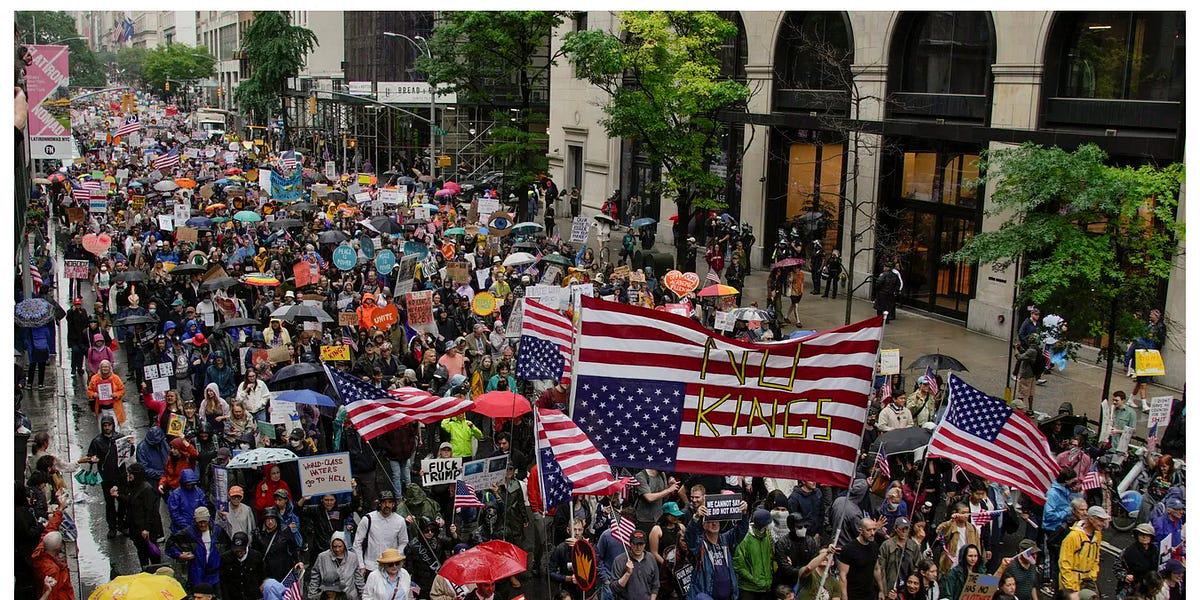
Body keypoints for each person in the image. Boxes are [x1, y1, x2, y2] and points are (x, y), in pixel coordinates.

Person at [685, 498, 749, 600]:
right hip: (707, 596)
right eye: (710, 521)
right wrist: (696, 517)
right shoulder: (700, 544)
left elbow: (741, 530)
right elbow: (690, 536)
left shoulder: (726, 539)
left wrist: (744, 513)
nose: (714, 524)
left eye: (716, 520)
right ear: (703, 525)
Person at [167, 506, 225, 589]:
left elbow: (227, 548)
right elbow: (170, 545)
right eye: (199, 522)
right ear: (195, 520)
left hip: (215, 575)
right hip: (197, 575)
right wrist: (179, 555)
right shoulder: (188, 533)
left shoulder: (218, 531)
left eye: (204, 521)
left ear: (208, 519)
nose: (202, 524)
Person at [355, 490, 410, 572]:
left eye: (390, 502)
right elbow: (357, 543)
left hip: (391, 566)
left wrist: (397, 557)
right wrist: (361, 565)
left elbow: (403, 542)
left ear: (393, 504)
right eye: (384, 502)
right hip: (371, 566)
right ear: (379, 503)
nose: (387, 505)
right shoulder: (368, 519)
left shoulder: (400, 520)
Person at [1057, 506, 1108, 593]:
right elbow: (1064, 563)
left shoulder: (1097, 535)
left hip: (1088, 580)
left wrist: (1093, 575)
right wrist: (1070, 587)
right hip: (1071, 582)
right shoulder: (1073, 537)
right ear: (1091, 519)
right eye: (1101, 520)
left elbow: (1096, 557)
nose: (1103, 524)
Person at [124, 463, 164, 567]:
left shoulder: (146, 489)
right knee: (142, 552)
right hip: (137, 528)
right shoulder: (134, 486)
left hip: (145, 529)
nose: (128, 477)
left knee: (151, 552)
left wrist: (146, 528)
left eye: (130, 474)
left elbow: (150, 511)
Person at [309, 531, 365, 599]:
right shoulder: (322, 557)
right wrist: (312, 595)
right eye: (334, 546)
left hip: (349, 596)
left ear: (345, 545)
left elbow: (359, 579)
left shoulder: (353, 557)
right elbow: (315, 579)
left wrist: (364, 596)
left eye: (340, 546)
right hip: (329, 596)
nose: (337, 549)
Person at [838, 517, 883, 600]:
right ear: (860, 530)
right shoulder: (849, 549)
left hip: (870, 594)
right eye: (869, 530)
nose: (872, 533)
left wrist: (881, 590)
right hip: (853, 595)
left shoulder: (875, 546)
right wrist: (844, 597)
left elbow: (876, 569)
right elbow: (842, 575)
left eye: (874, 529)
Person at [614, 529, 660, 600]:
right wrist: (627, 574)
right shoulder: (619, 560)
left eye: (641, 544)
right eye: (635, 544)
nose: (638, 547)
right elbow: (615, 589)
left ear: (645, 544)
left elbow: (655, 584)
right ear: (630, 543)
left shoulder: (651, 558)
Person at [219, 532, 265, 600]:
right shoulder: (225, 558)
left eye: (241, 550)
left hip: (252, 595)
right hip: (233, 596)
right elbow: (223, 581)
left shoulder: (256, 556)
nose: (239, 552)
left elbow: (261, 576)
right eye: (236, 550)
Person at [1118, 523, 1160, 596]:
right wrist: (1125, 576)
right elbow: (1117, 567)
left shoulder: (1155, 550)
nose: (1144, 537)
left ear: (1151, 537)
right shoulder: (1128, 551)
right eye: (1141, 534)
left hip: (1150, 587)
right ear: (1137, 536)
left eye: (1147, 535)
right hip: (1132, 588)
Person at [87, 359, 127, 428]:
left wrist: (116, 394)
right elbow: (89, 390)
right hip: (101, 409)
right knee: (102, 428)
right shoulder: (94, 378)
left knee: (115, 428)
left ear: (110, 368)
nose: (105, 369)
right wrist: (94, 395)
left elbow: (122, 390)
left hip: (113, 408)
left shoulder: (115, 378)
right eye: (103, 367)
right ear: (100, 368)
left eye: (106, 367)